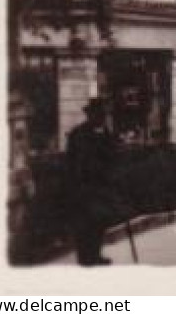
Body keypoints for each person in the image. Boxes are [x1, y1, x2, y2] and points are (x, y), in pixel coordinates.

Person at [66, 98, 118, 266]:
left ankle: (95, 254)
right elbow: (73, 161)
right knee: (85, 222)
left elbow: (111, 158)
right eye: (98, 115)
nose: (101, 118)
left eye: (103, 115)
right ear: (90, 115)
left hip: (100, 187)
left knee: (99, 222)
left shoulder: (105, 134)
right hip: (83, 186)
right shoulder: (79, 134)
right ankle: (85, 257)